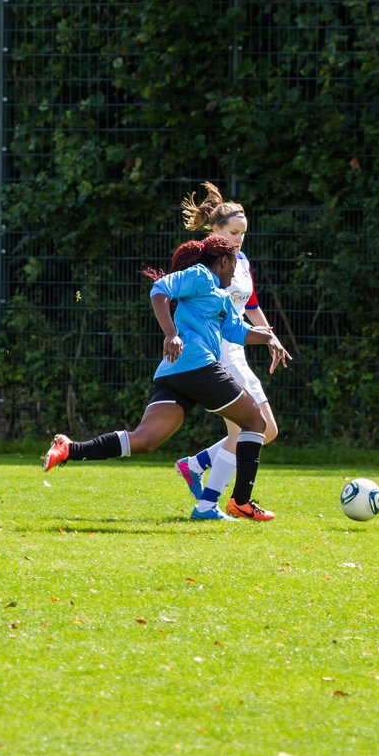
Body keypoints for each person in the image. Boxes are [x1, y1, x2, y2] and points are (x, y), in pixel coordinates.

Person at [41, 234, 292, 521]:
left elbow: (237, 332)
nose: (236, 270)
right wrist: (171, 333)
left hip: (174, 373)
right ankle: (241, 501)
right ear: (223, 261)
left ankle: (69, 449)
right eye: (233, 264)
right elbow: (160, 289)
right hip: (197, 366)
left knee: (145, 440)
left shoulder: (221, 296)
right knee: (255, 422)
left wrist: (270, 338)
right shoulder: (200, 275)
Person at [170, 183, 280, 516]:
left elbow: (251, 304)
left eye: (243, 234)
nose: (239, 239)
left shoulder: (241, 261)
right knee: (246, 428)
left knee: (267, 430)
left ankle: (196, 464)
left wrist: (271, 337)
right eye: (233, 232)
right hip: (214, 353)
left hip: (237, 355)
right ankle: (211, 503)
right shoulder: (203, 264)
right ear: (215, 230)